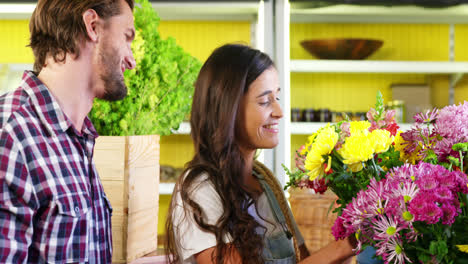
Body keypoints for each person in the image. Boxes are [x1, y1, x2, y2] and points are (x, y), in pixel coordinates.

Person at [165, 43, 356, 264]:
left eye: (277, 98)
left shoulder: (266, 183)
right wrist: (344, 246)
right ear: (229, 109)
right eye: (265, 101)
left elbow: (302, 261)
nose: (279, 112)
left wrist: (354, 235)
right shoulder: (200, 188)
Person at [0, 0, 135, 262]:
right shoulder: (12, 134)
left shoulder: (77, 138)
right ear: (92, 25)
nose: (131, 60)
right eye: (126, 37)